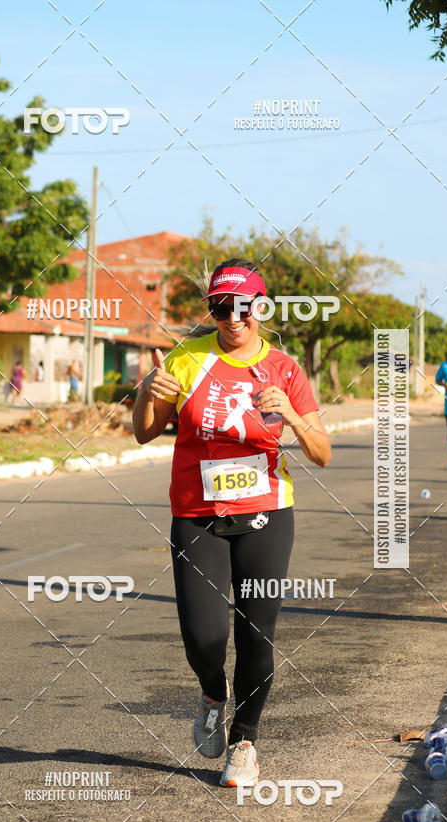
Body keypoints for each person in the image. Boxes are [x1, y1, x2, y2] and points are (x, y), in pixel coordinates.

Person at [133, 258, 331, 787]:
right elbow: (144, 433)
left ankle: (244, 742)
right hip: (196, 513)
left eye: (244, 306)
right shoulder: (184, 359)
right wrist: (149, 397)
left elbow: (322, 453)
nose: (233, 317)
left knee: (255, 633)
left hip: (266, 511)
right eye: (221, 307)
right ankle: (211, 693)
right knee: (203, 635)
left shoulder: (285, 369)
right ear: (213, 311)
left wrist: (290, 414)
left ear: (260, 307)